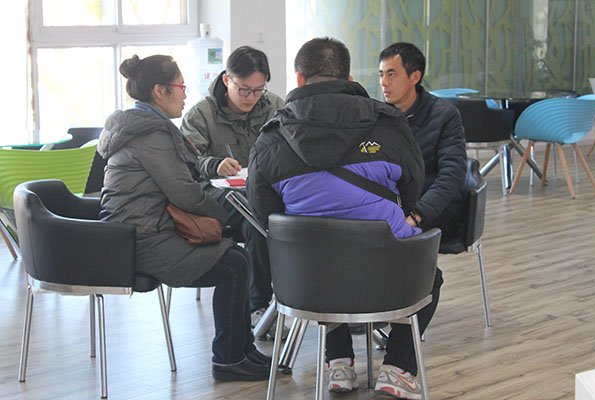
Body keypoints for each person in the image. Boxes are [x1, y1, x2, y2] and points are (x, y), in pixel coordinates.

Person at [247, 37, 430, 399]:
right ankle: (397, 369)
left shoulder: (270, 138)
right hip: (390, 278)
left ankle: (339, 364)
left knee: (320, 256)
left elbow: (265, 214)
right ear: (348, 78)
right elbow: (413, 191)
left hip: (308, 284)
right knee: (430, 276)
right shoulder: (388, 124)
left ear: (299, 79)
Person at [98, 54, 271, 382]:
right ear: (159, 91)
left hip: (137, 231)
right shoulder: (152, 135)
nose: (185, 94)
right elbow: (185, 193)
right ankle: (229, 359)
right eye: (180, 87)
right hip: (143, 239)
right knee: (234, 264)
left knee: (236, 258)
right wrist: (224, 219)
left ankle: (241, 349)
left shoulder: (142, 125)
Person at [181, 46, 284, 337]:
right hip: (216, 194)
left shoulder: (275, 107)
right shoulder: (201, 115)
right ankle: (259, 305)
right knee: (255, 216)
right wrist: (213, 165)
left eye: (258, 90)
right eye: (244, 90)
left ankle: (313, 301)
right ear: (227, 80)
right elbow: (187, 163)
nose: (251, 97)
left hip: (264, 190)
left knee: (297, 211)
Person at [378, 42, 467, 239]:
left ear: (415, 77)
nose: (384, 82)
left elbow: (452, 175)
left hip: (434, 210)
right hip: (393, 206)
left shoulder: (445, 115)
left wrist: (416, 216)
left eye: (391, 74)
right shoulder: (379, 115)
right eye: (381, 75)